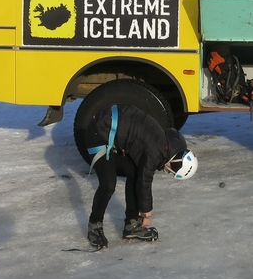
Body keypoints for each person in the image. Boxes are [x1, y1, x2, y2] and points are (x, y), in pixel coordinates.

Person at [83, 104, 198, 250]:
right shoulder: (157, 151)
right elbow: (145, 181)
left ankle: (132, 226)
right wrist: (147, 213)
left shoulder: (168, 143)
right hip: (98, 132)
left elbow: (140, 176)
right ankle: (94, 225)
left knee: (134, 172)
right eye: (171, 170)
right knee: (108, 185)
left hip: (112, 128)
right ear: (176, 162)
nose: (166, 170)